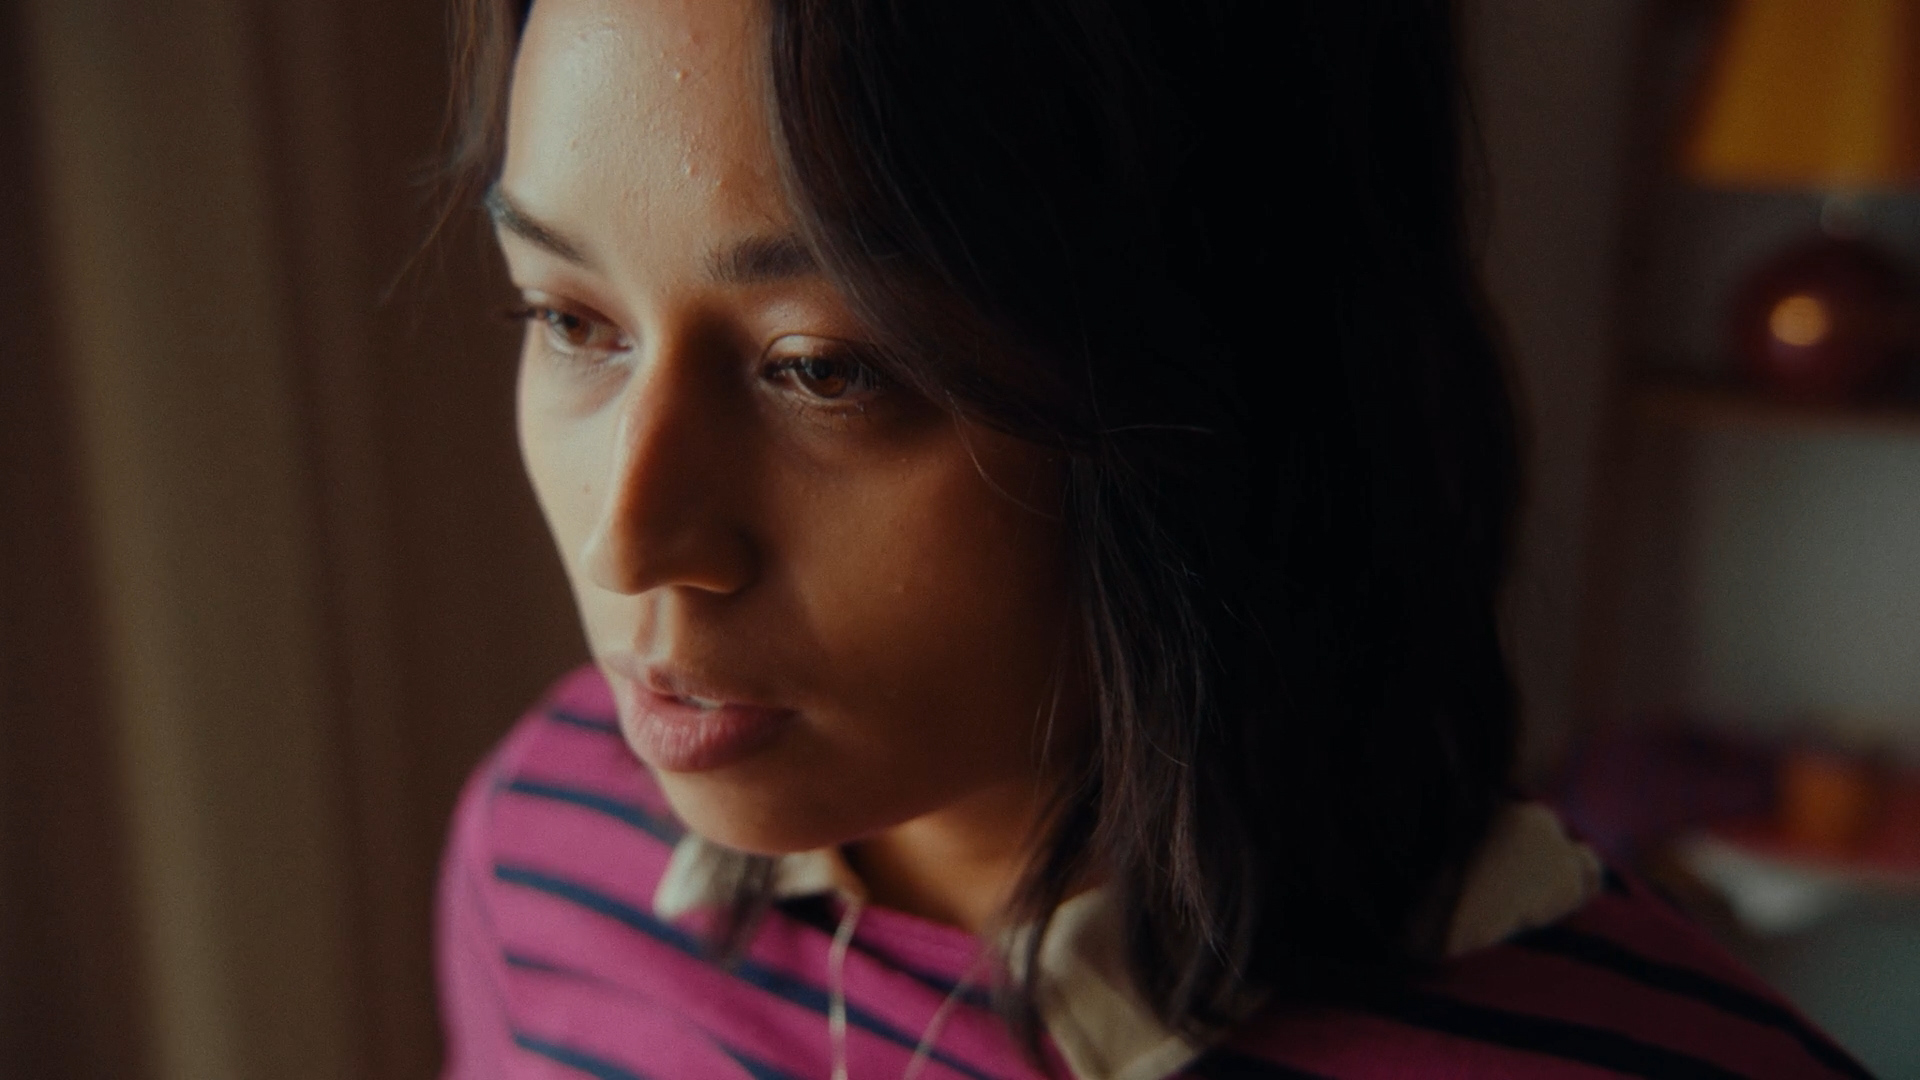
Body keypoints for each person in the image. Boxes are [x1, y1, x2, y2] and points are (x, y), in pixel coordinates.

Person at [434, 0, 1868, 1076]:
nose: (630, 545)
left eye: (823, 368)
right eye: (570, 319)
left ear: (1221, 372)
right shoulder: (546, 850)